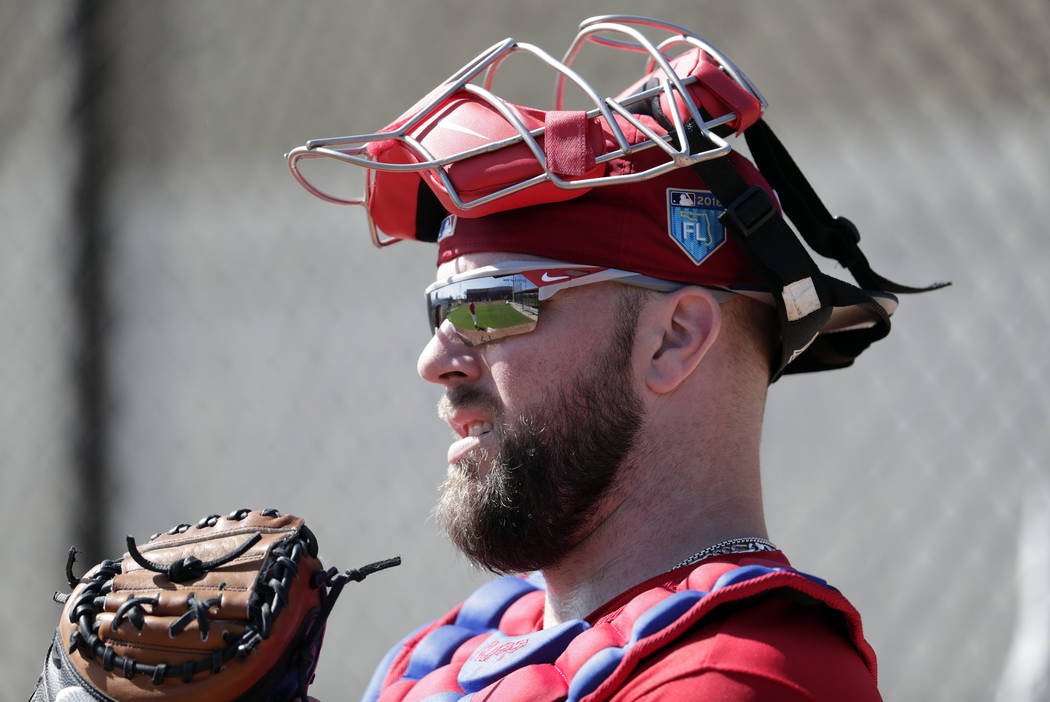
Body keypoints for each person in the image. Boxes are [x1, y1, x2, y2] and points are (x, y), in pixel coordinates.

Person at [287, 15, 943, 701]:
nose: (435, 359)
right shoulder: (440, 657)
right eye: (438, 311)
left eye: (487, 305)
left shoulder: (740, 674)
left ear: (674, 339)